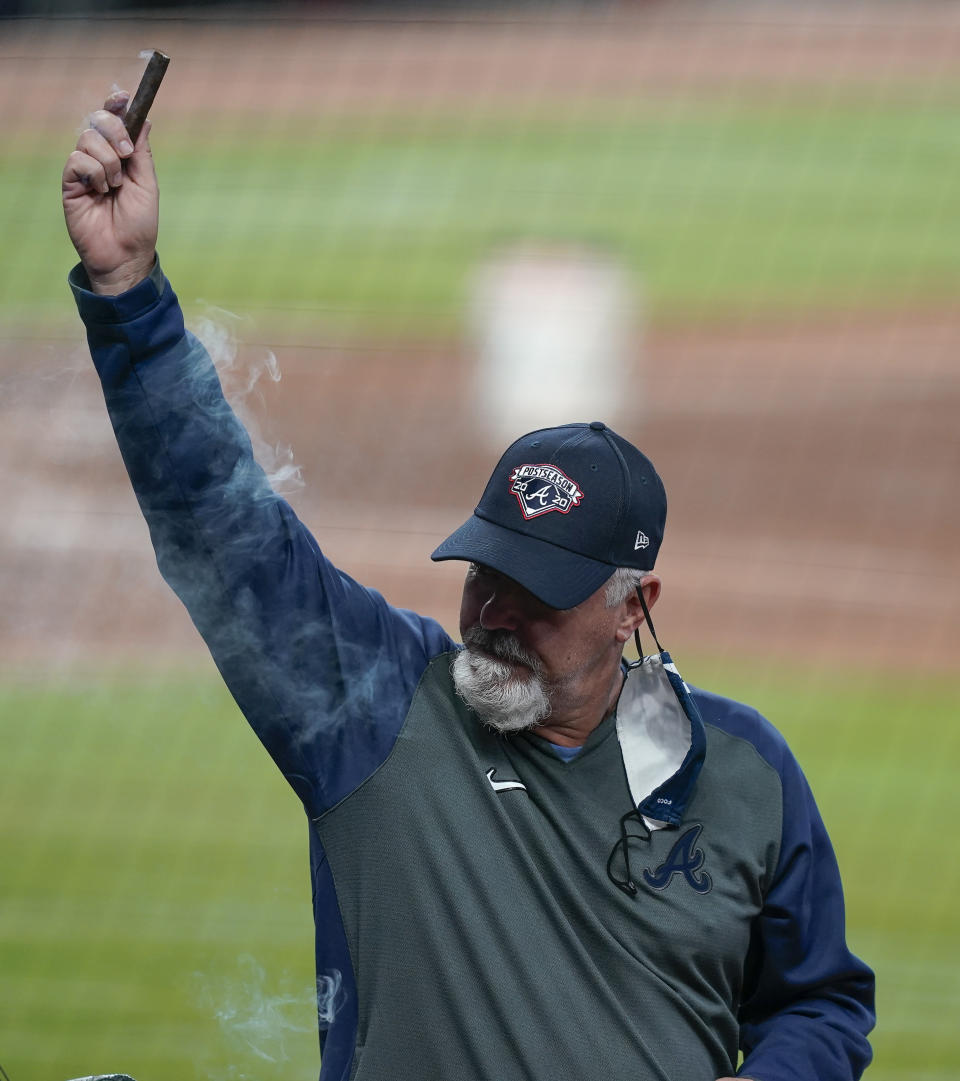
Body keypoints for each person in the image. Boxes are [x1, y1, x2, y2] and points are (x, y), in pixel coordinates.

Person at [62, 100, 875, 1081]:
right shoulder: (372, 708)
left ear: (633, 603)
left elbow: (817, 1001)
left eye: (539, 593)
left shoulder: (746, 772)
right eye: (485, 573)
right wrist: (127, 293)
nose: (494, 613)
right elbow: (220, 532)